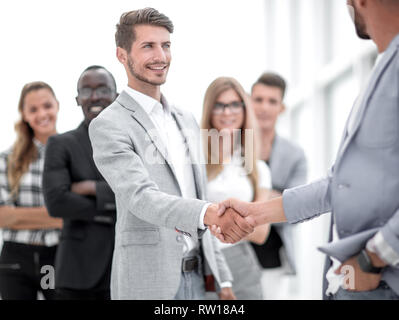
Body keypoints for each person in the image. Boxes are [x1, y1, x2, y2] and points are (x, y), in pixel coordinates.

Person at [214, 0, 399, 300]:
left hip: (380, 275)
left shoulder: (292, 153)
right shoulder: (380, 71)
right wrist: (255, 211)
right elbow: (335, 187)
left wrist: (373, 258)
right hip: (353, 278)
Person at [88, 8, 253, 300]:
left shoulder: (186, 119)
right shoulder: (109, 124)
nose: (161, 56)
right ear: (122, 56)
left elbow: (201, 197)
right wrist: (207, 213)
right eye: (148, 46)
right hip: (147, 283)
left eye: (165, 45)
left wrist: (224, 279)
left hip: (200, 279)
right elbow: (141, 197)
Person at [42, 66, 118, 300]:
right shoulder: (61, 144)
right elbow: (57, 202)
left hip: (126, 269)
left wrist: (92, 189)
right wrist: (115, 207)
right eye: (87, 90)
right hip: (78, 274)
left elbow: (148, 194)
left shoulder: (135, 143)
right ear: (78, 99)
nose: (94, 97)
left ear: (116, 96)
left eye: (103, 89)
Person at [201, 77, 271, 299]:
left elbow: (261, 233)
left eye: (234, 104)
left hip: (242, 264)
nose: (227, 112)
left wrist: (213, 219)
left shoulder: (258, 169)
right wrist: (242, 219)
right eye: (219, 105)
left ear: (244, 108)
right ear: (209, 111)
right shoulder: (195, 164)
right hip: (205, 264)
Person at [0, 81, 63, 300]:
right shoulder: (7, 160)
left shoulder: (72, 154)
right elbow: (3, 216)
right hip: (16, 257)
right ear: (24, 114)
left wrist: (19, 216)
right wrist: (59, 215)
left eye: (47, 106)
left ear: (57, 106)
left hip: (58, 254)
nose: (42, 114)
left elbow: (81, 212)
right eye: (33, 110)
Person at [250, 72, 307, 299]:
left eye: (272, 101)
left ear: (281, 108)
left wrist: (254, 195)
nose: (264, 107)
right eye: (258, 99)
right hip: (233, 254)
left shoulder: (295, 155)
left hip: (273, 260)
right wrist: (275, 195)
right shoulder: (229, 148)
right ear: (248, 101)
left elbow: (297, 207)